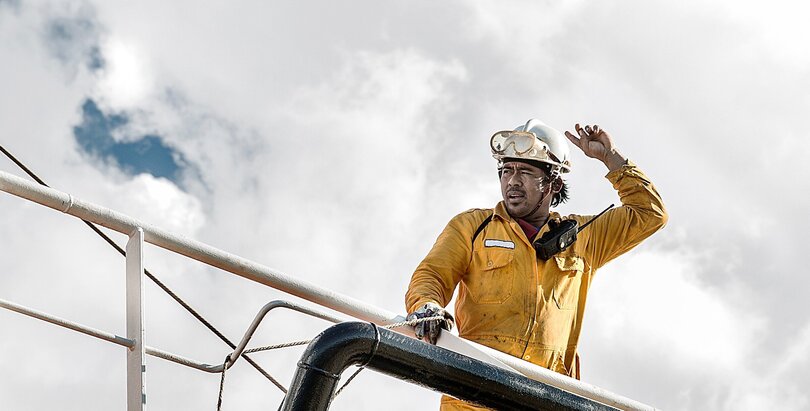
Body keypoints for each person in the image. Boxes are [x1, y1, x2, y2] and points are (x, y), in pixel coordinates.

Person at [405, 119, 667, 411]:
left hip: (545, 400)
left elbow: (650, 213)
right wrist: (426, 305)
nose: (512, 181)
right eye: (506, 171)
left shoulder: (583, 237)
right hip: (472, 398)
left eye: (525, 172)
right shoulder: (472, 227)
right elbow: (431, 275)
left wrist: (610, 158)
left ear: (554, 183)